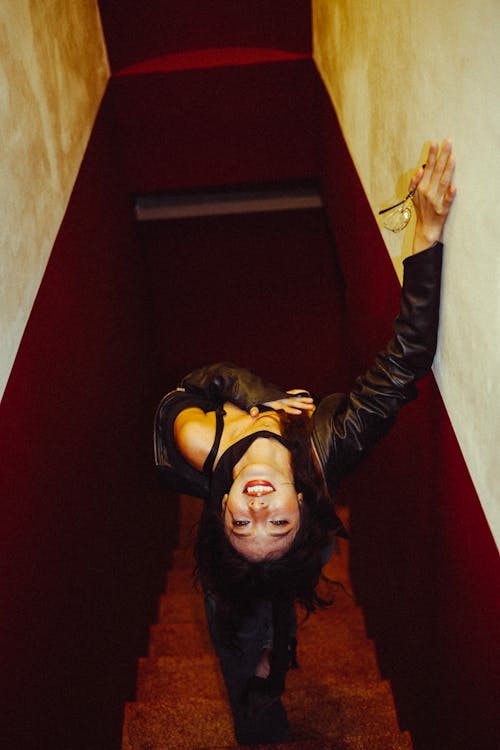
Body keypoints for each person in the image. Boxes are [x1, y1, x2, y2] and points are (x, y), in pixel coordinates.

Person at [154, 140, 457, 744]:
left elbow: (185, 391)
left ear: (220, 511)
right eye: (277, 523)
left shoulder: (196, 444)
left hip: (244, 530)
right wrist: (426, 232)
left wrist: (250, 404)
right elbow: (406, 362)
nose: (260, 512)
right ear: (305, 510)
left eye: (242, 524)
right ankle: (262, 688)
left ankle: (260, 685)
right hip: (299, 552)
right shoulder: (331, 447)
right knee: (262, 603)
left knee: (241, 601)